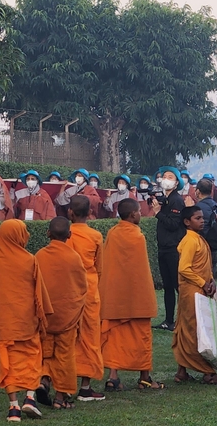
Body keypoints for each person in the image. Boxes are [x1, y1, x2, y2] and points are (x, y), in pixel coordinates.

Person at [0, 219, 52, 422]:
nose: (27, 236)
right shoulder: (29, 259)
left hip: (5, 321)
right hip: (27, 320)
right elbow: (38, 291)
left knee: (8, 362)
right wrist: (44, 313)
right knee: (32, 356)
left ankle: (13, 407)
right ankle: (30, 398)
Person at [101, 198, 164, 391]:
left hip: (116, 296)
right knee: (141, 335)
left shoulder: (112, 233)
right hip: (137, 297)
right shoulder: (138, 237)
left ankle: (113, 377)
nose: (141, 214)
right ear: (132, 215)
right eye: (139, 211)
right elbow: (140, 270)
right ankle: (144, 377)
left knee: (115, 335)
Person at [173, 204, 217, 386]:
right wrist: (203, 283)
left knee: (187, 327)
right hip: (192, 291)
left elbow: (204, 265)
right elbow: (184, 268)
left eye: (202, 218)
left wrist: (210, 279)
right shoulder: (190, 240)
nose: (202, 221)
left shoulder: (197, 238)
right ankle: (208, 373)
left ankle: (181, 371)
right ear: (187, 222)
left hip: (200, 289)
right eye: (197, 218)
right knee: (195, 330)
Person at [35, 218, 88, 411]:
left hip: (46, 316)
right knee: (65, 354)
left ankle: (43, 380)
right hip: (66, 316)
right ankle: (60, 397)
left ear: (48, 234)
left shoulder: (39, 255)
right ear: (69, 235)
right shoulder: (74, 257)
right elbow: (82, 288)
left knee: (45, 351)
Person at [66, 195, 106, 402]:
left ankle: (60, 384)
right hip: (89, 287)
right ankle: (85, 386)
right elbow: (99, 267)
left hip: (66, 289)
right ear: (90, 213)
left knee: (66, 335)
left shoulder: (64, 233)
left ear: (70, 212)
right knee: (89, 335)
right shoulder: (96, 235)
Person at [154, 166, 189, 332]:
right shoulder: (166, 199)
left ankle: (186, 319)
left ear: (176, 183)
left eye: (170, 177)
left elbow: (174, 224)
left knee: (177, 286)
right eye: (164, 176)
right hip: (164, 248)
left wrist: (158, 213)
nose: (165, 179)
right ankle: (169, 320)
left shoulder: (177, 200)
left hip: (173, 249)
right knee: (168, 286)